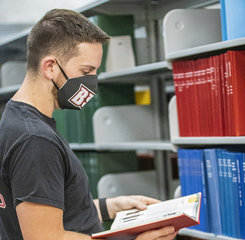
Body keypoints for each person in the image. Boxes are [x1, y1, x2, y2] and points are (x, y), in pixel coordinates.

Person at [0, 9, 178, 240]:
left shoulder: (15, 119)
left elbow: (49, 211)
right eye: (86, 71)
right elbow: (45, 237)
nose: (93, 82)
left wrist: (111, 206)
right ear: (50, 67)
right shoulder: (35, 139)